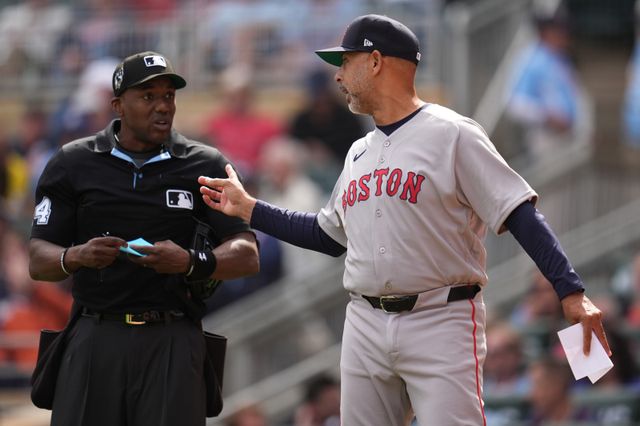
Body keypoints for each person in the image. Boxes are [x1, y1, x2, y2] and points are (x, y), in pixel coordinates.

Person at [199, 15, 610, 426]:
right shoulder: (358, 152)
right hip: (364, 321)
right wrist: (250, 208)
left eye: (346, 62)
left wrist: (570, 291)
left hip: (440, 317)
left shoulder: (453, 133)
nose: (338, 76)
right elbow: (326, 235)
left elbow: (519, 212)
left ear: (376, 61)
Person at [28, 51, 259, 426]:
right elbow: (38, 260)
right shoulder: (73, 162)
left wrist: (190, 262)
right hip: (95, 334)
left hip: (172, 335)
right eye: (148, 96)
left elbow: (247, 253)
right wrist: (78, 255)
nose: (162, 106)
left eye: (168, 96)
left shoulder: (205, 165)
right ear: (118, 105)